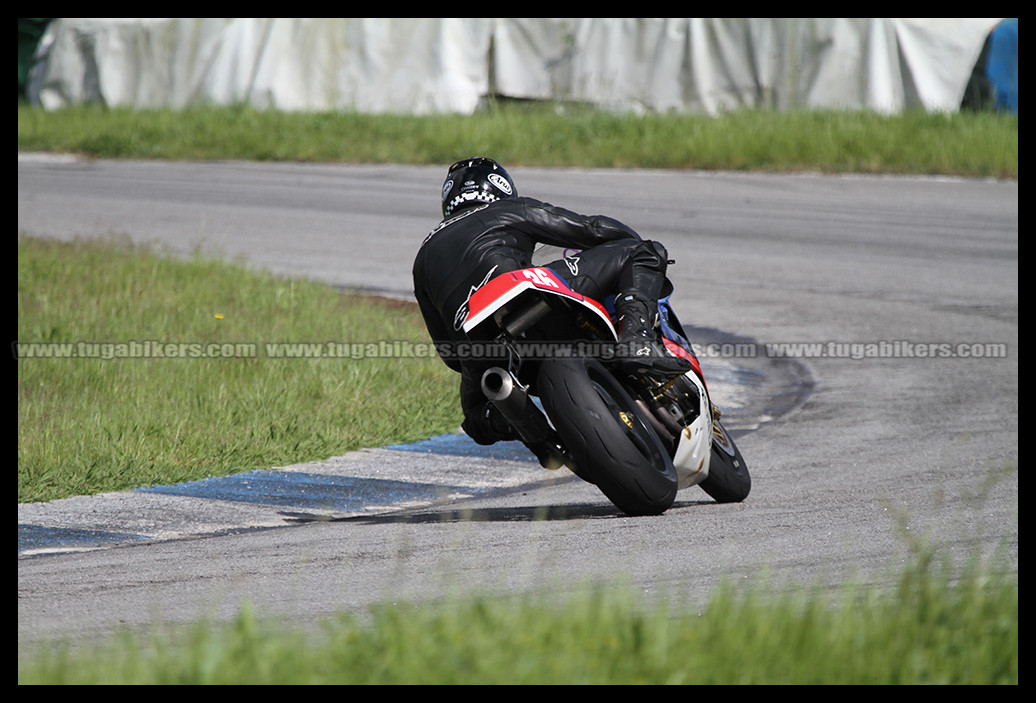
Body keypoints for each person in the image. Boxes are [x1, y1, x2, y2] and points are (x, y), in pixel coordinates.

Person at [413, 157, 691, 446]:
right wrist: (630, 244)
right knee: (641, 252)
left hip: (478, 342)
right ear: (501, 187)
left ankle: (542, 442)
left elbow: (448, 352)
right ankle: (636, 339)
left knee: (477, 419)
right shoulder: (507, 209)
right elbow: (590, 229)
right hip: (524, 292)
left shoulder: (423, 256)